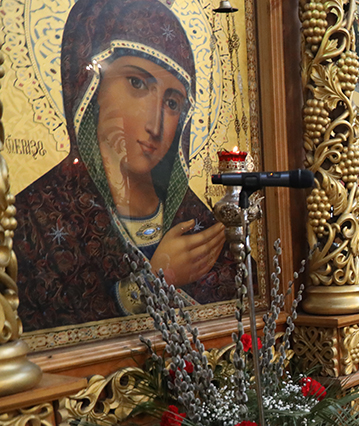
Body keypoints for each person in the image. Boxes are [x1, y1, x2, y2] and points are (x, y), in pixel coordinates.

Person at [14, 0, 235, 331]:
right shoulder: (33, 218)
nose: (155, 125)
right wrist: (152, 282)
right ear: (90, 85)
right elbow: (38, 329)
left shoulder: (197, 220)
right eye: (137, 83)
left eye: (172, 102)